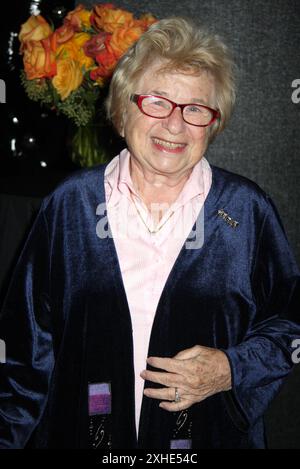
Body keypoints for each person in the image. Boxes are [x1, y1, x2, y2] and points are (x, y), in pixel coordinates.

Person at [0, 17, 299, 450]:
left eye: (195, 109)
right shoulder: (69, 206)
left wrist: (233, 368)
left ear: (212, 125)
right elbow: (23, 352)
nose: (175, 124)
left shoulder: (246, 211)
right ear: (123, 110)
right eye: (157, 101)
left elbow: (290, 323)